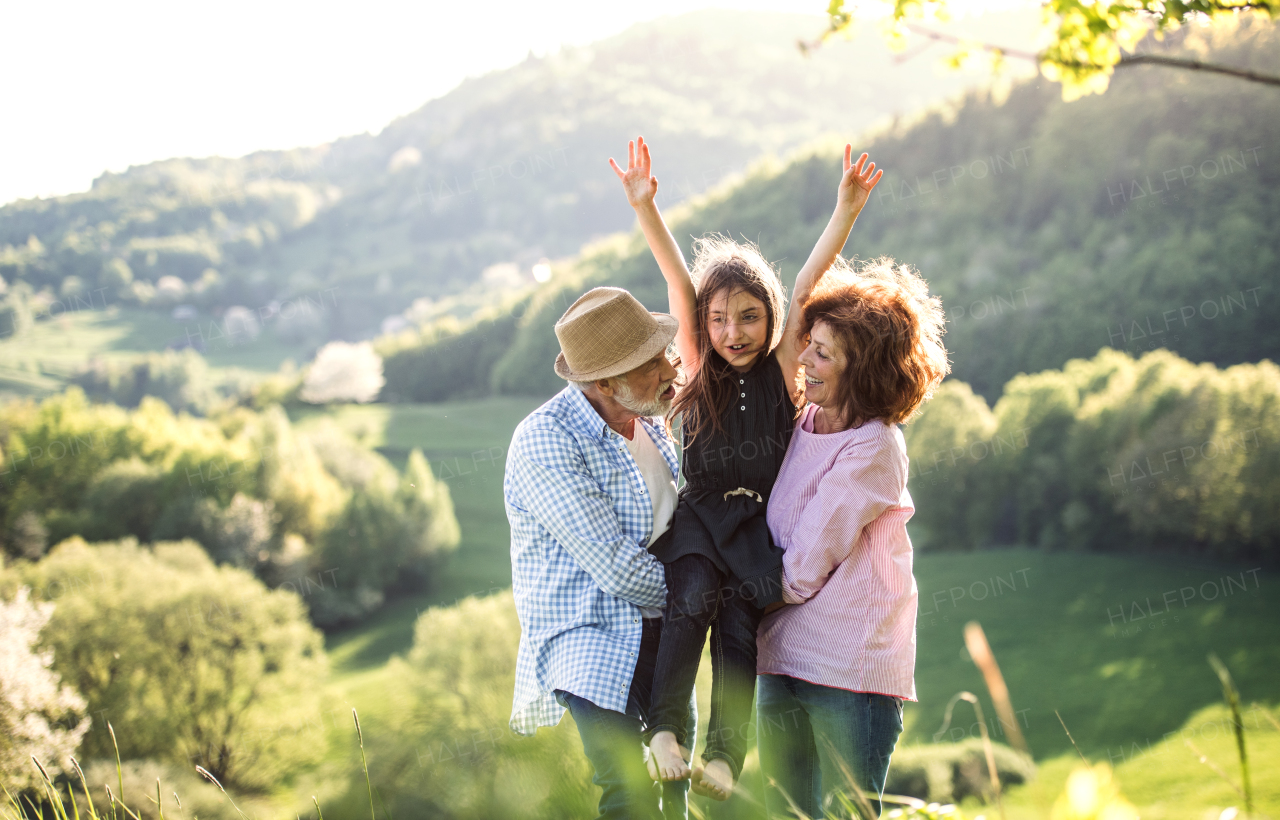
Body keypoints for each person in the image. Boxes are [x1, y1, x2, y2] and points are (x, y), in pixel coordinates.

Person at [609, 136, 883, 801]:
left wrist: (845, 209)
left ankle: (726, 760)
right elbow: (678, 281)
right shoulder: (698, 369)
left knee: (739, 634)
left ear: (772, 322)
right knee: (692, 599)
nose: (735, 332)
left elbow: (806, 282)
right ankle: (664, 730)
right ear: (703, 326)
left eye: (750, 318)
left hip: (759, 528)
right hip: (701, 516)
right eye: (721, 319)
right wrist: (647, 208)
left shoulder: (783, 366)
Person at [757, 259, 950, 818]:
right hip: (783, 655)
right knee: (785, 812)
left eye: (823, 354)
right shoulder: (802, 420)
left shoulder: (874, 446)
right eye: (809, 346)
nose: (805, 362)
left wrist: (719, 606)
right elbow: (797, 296)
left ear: (862, 372)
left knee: (847, 814)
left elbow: (802, 567)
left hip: (848, 669)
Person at [505, 286, 696, 820]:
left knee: (675, 789)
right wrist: (704, 602)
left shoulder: (651, 420)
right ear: (602, 383)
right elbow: (616, 565)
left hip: (664, 629)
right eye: (649, 362)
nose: (667, 368)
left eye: (663, 352)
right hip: (589, 634)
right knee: (629, 790)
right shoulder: (546, 441)